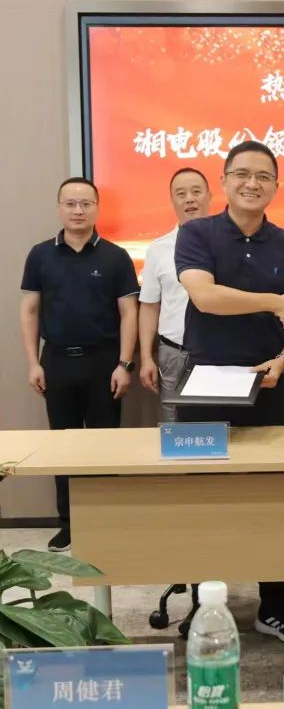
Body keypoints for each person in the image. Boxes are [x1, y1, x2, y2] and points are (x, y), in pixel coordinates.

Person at [174, 140, 284, 645]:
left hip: (269, 382)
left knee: (274, 498)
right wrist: (275, 300)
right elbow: (205, 297)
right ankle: (204, 604)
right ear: (225, 180)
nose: (251, 183)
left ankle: (276, 605)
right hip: (206, 385)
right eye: (241, 174)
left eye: (262, 176)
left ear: (276, 186)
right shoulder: (197, 232)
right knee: (204, 498)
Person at [19, 177, 139, 552]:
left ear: (96, 208)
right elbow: (30, 310)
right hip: (56, 361)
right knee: (63, 448)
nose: (78, 210)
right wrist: (32, 363)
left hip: (104, 362)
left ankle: (104, 522)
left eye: (86, 203)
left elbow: (129, 313)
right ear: (59, 208)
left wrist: (125, 364)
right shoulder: (40, 255)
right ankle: (68, 524)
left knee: (104, 447)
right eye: (70, 203)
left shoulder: (115, 257)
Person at [138, 167, 212, 420]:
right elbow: (149, 306)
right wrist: (146, 357)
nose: (189, 199)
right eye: (181, 194)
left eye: (196, 191)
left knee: (223, 424)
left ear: (209, 196)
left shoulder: (229, 243)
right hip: (174, 353)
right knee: (176, 426)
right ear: (172, 201)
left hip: (220, 352)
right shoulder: (158, 249)